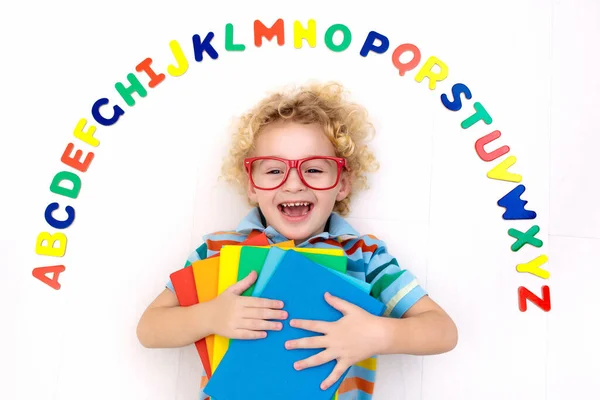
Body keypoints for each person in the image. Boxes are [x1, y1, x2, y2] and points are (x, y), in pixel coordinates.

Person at [136, 81, 458, 399]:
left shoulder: (364, 255)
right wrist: (209, 316)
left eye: (315, 170)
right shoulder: (218, 250)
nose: (293, 184)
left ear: (342, 184)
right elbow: (149, 328)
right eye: (274, 170)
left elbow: (442, 331)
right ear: (251, 185)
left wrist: (379, 334)